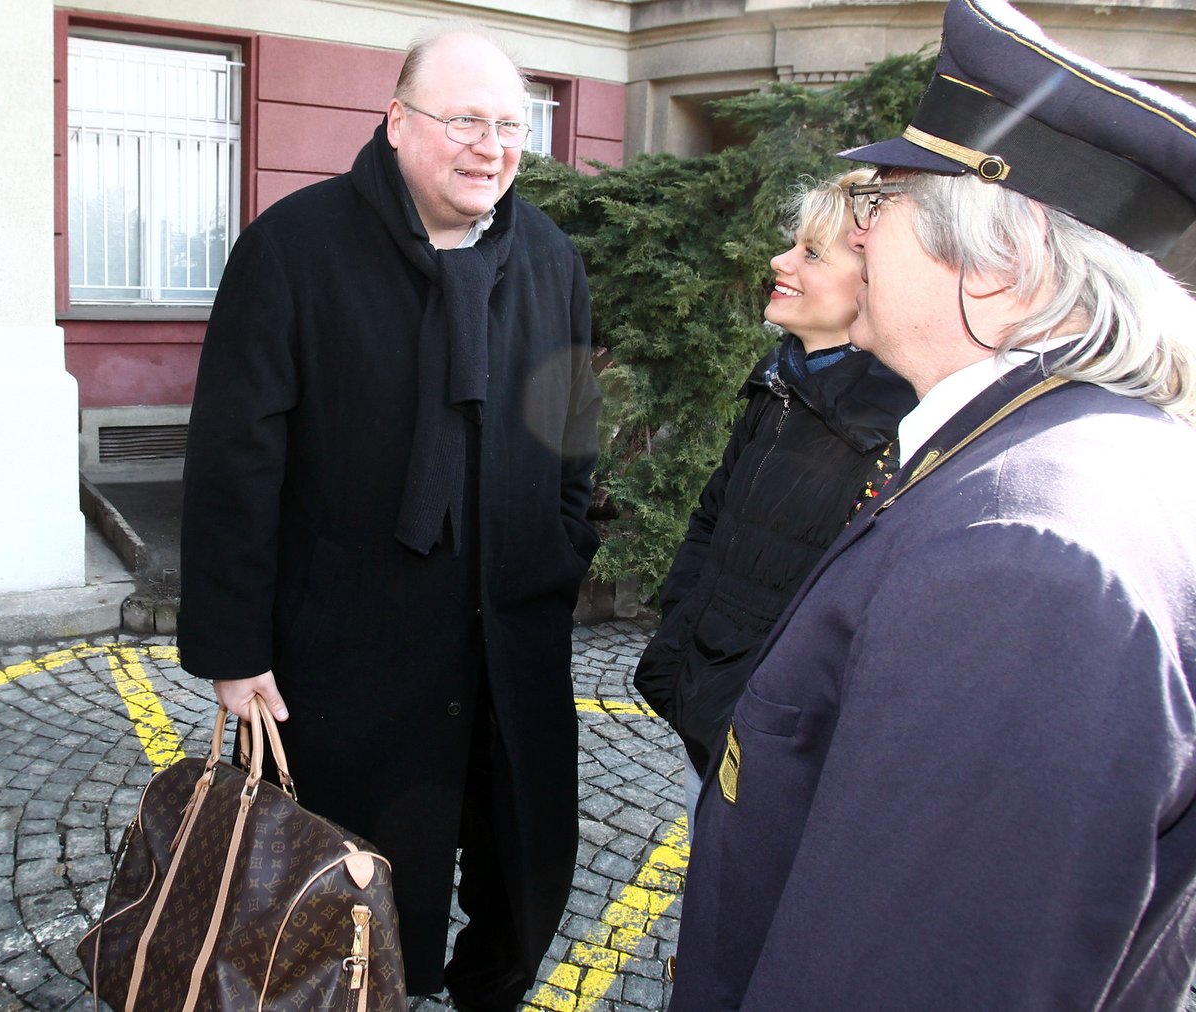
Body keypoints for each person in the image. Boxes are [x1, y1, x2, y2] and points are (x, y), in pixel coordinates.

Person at [667, 0, 1196, 1007]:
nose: (856, 241)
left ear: (1000, 267)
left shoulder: (1027, 561)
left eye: (879, 207)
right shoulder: (1077, 453)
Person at [177, 25, 602, 1011]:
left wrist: (558, 557)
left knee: (523, 880)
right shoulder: (292, 247)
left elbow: (573, 436)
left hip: (512, 653)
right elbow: (234, 464)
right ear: (398, 121)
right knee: (345, 909)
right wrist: (235, 652)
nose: (491, 146)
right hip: (347, 662)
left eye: (511, 125)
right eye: (466, 121)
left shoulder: (548, 256)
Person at [632, 170, 915, 827]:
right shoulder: (785, 380)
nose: (780, 261)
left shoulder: (895, 433)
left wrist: (753, 713)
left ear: (878, 283)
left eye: (813, 253)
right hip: (713, 719)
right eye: (794, 244)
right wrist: (682, 632)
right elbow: (711, 523)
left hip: (776, 755)